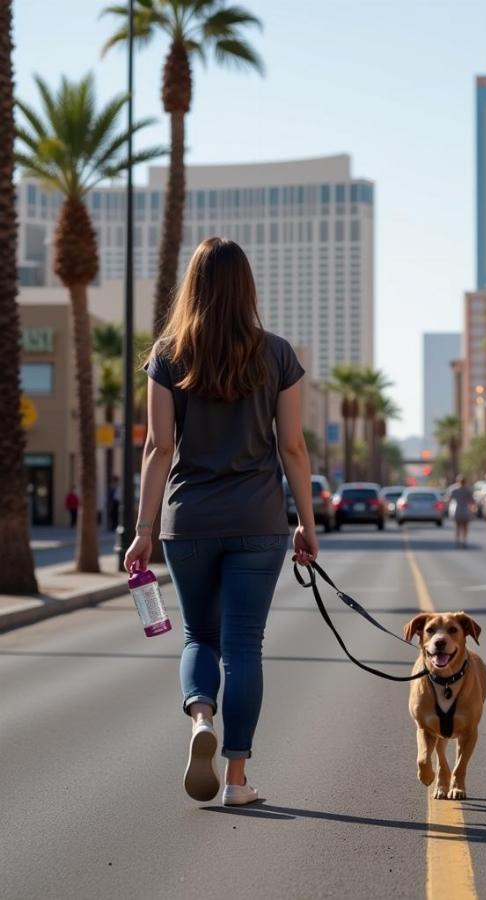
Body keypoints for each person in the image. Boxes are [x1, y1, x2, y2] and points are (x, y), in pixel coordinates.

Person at [124, 238, 317, 808]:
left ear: (193, 286)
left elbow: (159, 448)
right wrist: (305, 522)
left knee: (198, 636)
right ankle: (236, 780)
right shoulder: (277, 354)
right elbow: (294, 447)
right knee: (244, 648)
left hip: (189, 523)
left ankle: (200, 717)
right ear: (246, 288)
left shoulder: (168, 355)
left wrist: (142, 528)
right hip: (258, 521)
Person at [448, 475, 476, 548]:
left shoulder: (454, 490)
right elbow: (472, 501)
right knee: (464, 527)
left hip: (458, 509)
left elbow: (449, 500)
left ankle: (459, 541)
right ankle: (463, 541)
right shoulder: (467, 490)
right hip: (464, 510)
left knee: (458, 526)